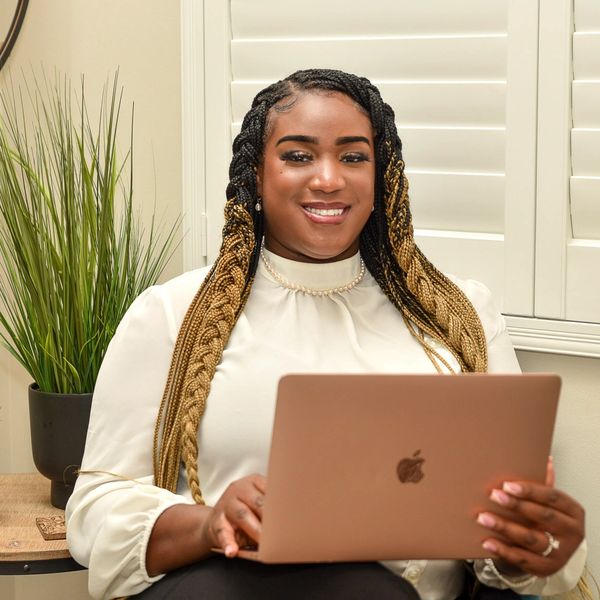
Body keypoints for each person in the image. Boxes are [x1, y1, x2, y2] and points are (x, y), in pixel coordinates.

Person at [66, 69, 587, 600]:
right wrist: (206, 523)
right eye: (298, 155)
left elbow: (499, 542)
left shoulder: (465, 315)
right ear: (256, 175)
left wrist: (540, 544)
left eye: (354, 156)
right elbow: (97, 506)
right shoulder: (171, 315)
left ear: (383, 177)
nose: (329, 179)